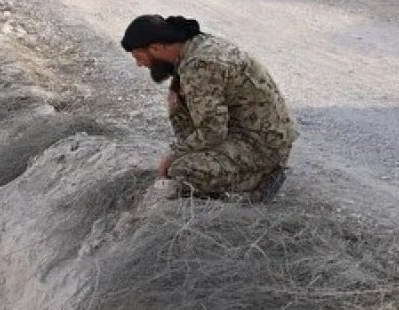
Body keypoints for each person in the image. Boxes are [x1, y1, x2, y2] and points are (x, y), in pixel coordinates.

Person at [120, 14, 296, 202]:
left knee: (182, 171)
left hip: (262, 147)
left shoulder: (198, 66)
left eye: (139, 57)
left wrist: (173, 156)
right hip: (257, 135)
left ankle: (256, 186)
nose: (139, 64)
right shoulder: (196, 46)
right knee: (176, 99)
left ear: (155, 48)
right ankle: (239, 172)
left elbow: (212, 131)